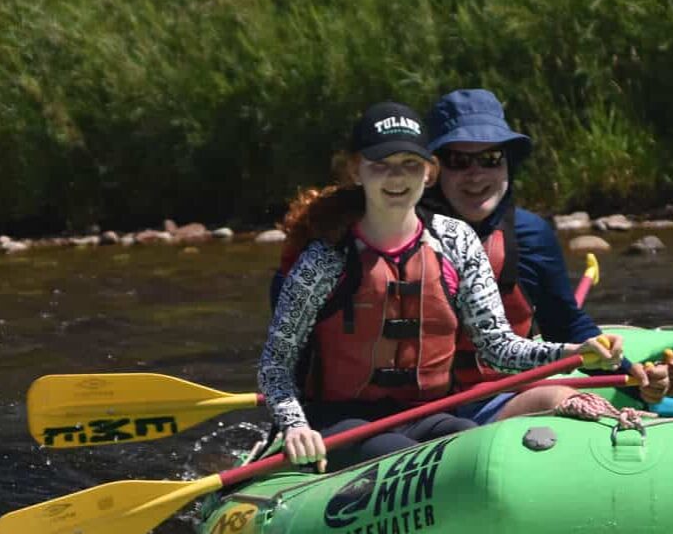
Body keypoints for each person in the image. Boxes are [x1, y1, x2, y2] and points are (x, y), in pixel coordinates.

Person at [260, 100, 620, 469]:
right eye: (381, 165)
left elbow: (497, 347)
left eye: (410, 165)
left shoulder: (457, 241)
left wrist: (573, 352)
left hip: (430, 413)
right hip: (342, 421)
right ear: (356, 170)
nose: (396, 178)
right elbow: (275, 364)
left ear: (429, 173)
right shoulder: (324, 258)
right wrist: (295, 425)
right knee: (394, 455)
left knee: (475, 448)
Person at [422, 88, 668, 421]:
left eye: (491, 159)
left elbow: (563, 324)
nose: (476, 174)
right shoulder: (404, 236)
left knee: (563, 399)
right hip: (422, 408)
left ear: (508, 163)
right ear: (434, 171)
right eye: (459, 161)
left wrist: (630, 377)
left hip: (504, 397)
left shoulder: (530, 235)